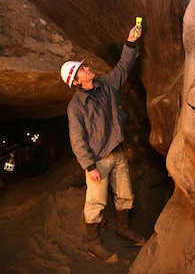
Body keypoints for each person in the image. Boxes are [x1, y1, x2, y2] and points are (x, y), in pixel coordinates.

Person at [60, 24, 145, 263]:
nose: (87, 68)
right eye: (82, 69)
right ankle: (93, 244)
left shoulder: (106, 86)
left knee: (125, 194)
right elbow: (78, 140)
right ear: (77, 81)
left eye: (84, 66)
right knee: (96, 202)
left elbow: (123, 67)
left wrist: (130, 42)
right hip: (98, 161)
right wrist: (90, 166)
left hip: (117, 152)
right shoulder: (76, 107)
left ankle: (123, 229)